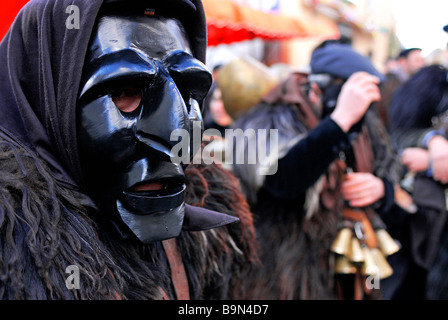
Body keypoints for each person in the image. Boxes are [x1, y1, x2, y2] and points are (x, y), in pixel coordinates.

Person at [0, 0, 257, 299]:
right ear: (45, 98)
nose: (178, 135)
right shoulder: (13, 258)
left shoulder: (207, 239)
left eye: (187, 91)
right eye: (125, 92)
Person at [230, 43, 400, 299]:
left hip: (352, 261)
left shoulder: (363, 117)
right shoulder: (270, 116)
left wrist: (380, 188)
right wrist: (339, 122)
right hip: (284, 271)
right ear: (317, 88)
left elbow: (389, 167)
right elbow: (281, 182)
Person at [388, 64, 448, 299]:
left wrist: (432, 163)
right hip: (420, 215)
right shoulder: (434, 83)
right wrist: (431, 140)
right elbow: (401, 134)